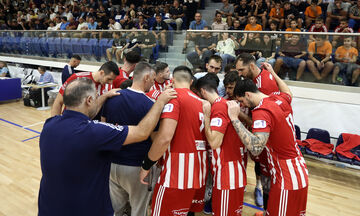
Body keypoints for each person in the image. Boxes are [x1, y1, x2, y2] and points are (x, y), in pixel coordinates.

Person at [38, 78, 176, 216]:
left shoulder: (50, 124)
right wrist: (160, 102)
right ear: (89, 100)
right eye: (96, 97)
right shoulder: (95, 132)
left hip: (49, 207)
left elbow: (84, 117)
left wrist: (103, 96)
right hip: (85, 209)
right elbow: (142, 132)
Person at [227, 66, 308, 216]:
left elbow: (256, 148)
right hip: (296, 169)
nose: (242, 105)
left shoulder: (261, 112)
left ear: (248, 94)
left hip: (287, 176)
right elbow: (288, 92)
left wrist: (234, 118)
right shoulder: (278, 98)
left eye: (241, 101)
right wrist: (272, 73)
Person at [139, 66, 208, 216]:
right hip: (198, 171)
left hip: (176, 173)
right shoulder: (202, 102)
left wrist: (147, 164)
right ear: (190, 82)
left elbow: (164, 138)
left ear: (172, 80)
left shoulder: (174, 98)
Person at [101, 62, 157, 216]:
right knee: (138, 211)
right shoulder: (151, 105)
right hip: (136, 167)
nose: (153, 83)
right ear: (146, 77)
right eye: (152, 79)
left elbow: (104, 127)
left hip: (111, 164)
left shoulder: (112, 97)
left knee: (115, 209)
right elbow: (155, 139)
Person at [197, 73, 246, 216]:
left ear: (203, 92)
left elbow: (214, 142)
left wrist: (206, 117)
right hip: (229, 169)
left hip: (227, 172)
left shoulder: (218, 107)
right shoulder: (222, 104)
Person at [51, 61, 119, 117]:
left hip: (89, 125)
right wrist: (54, 123)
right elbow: (58, 102)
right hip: (71, 121)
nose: (110, 82)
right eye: (109, 79)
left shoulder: (108, 86)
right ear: (101, 73)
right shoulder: (77, 78)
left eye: (112, 80)